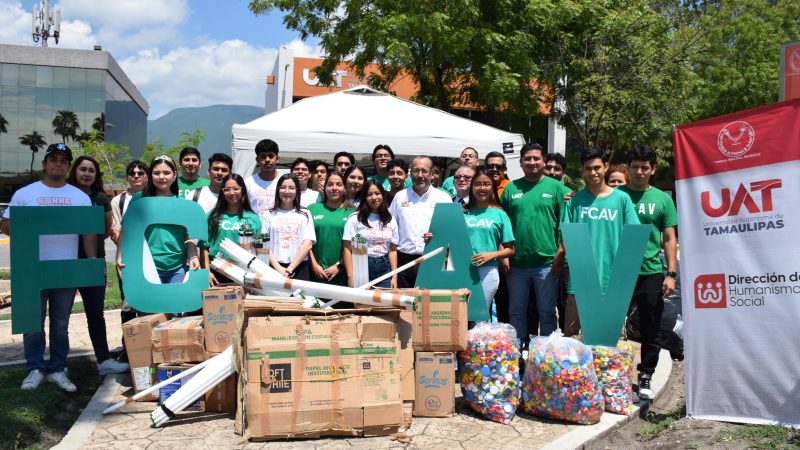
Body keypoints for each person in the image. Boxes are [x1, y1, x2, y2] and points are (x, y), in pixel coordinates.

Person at [0, 143, 96, 391]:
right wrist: (28, 222)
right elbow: (6, 225)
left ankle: (58, 368)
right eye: (53, 159)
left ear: (67, 166)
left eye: (63, 161)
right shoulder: (25, 194)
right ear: (44, 163)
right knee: (33, 322)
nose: (58, 164)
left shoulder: (80, 197)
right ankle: (34, 368)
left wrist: (91, 264)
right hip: (32, 269)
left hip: (64, 268)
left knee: (61, 323)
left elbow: (88, 233)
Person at [561, 147, 640, 339]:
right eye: (588, 168)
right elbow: (566, 238)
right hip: (581, 279)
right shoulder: (574, 201)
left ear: (605, 167)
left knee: (612, 340)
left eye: (597, 167)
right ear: (582, 171)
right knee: (572, 337)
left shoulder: (622, 199)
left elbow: (634, 235)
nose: (593, 172)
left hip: (613, 280)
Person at [618, 144, 678, 400]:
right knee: (609, 326)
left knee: (651, 327)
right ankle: (611, 374)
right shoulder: (616, 196)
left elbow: (669, 237)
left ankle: (645, 376)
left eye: (644, 167)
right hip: (619, 271)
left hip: (651, 272)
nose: (639, 171)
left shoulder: (663, 199)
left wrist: (671, 274)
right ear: (628, 169)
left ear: (652, 170)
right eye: (635, 167)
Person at [499, 143, 571, 342]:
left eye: (536, 159)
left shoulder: (557, 188)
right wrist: (502, 254)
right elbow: (501, 223)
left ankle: (546, 354)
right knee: (516, 312)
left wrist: (561, 252)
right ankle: (518, 353)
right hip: (516, 263)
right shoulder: (511, 188)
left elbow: (565, 223)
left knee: (547, 313)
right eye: (527, 159)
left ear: (543, 162)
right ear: (520, 163)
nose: (532, 162)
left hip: (547, 264)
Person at [67, 156, 129, 376]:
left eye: (91, 170)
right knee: (61, 314)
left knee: (95, 313)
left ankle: (103, 359)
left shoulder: (101, 199)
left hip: (93, 261)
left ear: (96, 175)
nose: (86, 174)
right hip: (64, 261)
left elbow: (104, 231)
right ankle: (59, 364)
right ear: (74, 171)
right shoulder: (64, 195)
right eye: (82, 169)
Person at [116, 156, 201, 286]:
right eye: (156, 173)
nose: (161, 177)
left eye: (166, 173)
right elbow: (126, 231)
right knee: (149, 305)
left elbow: (189, 237)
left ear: (174, 175)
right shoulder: (139, 199)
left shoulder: (183, 204)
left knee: (174, 305)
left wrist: (193, 256)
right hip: (146, 265)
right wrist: (120, 256)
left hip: (177, 268)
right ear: (150, 176)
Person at [389, 156, 452, 288]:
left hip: (432, 259)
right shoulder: (400, 196)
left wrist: (438, 236)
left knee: (428, 305)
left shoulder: (443, 198)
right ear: (410, 173)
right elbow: (390, 228)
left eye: (424, 171)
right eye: (416, 171)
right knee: (403, 305)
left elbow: (451, 232)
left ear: (432, 173)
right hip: (403, 261)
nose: (420, 175)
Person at [463, 169, 515, 321]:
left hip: (488, 270)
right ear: (471, 187)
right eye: (478, 184)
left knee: (479, 315)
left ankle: (478, 345)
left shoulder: (500, 214)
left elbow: (510, 250)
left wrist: (492, 255)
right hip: (462, 269)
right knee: (460, 313)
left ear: (492, 187)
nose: (482, 188)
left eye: (486, 184)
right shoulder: (462, 211)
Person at [111, 160, 149, 333]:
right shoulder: (118, 201)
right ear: (127, 177)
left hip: (154, 259)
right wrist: (130, 249)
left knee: (151, 302)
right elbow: (115, 231)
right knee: (128, 304)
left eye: (140, 173)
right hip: (127, 259)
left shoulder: (155, 197)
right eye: (132, 173)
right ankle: (129, 347)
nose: (136, 176)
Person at [343, 180, 399, 290]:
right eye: (369, 194)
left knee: (384, 305)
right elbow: (347, 248)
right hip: (362, 266)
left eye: (377, 193)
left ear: (383, 195)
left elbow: (392, 249)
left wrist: (394, 276)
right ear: (364, 197)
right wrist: (351, 276)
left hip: (385, 268)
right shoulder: (355, 218)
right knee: (362, 305)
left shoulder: (390, 219)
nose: (374, 197)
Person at [206, 174, 262, 283]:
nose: (232, 193)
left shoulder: (253, 218)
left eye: (236, 189)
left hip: (242, 273)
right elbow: (203, 246)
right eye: (227, 189)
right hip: (216, 270)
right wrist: (207, 272)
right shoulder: (213, 215)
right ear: (222, 192)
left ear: (243, 190)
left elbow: (258, 250)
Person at [268, 174, 316, 280]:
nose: (287, 191)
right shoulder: (268, 214)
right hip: (274, 268)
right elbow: (264, 245)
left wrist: (290, 268)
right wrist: (278, 268)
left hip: (300, 267)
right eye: (283, 187)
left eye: (291, 188)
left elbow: (307, 244)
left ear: (297, 191)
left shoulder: (305, 213)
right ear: (277, 190)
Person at [308, 171, 351, 287]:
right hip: (315, 273)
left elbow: (354, 246)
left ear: (345, 188)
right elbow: (305, 242)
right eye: (330, 184)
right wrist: (314, 265)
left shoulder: (353, 213)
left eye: (339, 184)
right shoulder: (312, 209)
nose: (334, 188)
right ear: (324, 188)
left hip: (342, 275)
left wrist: (339, 266)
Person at [245, 139, 280, 217]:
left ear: (277, 159)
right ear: (257, 160)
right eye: (263, 156)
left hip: (278, 228)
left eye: (271, 156)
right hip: (255, 227)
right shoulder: (248, 183)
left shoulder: (285, 182)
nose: (267, 160)